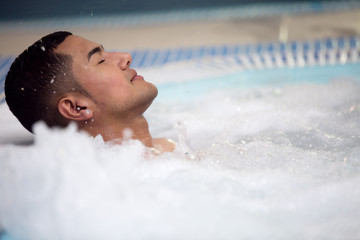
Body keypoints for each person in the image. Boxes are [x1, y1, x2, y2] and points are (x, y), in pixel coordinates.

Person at [5, 31, 175, 153]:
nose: (125, 57)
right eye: (100, 61)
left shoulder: (169, 147)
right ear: (76, 107)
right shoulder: (110, 187)